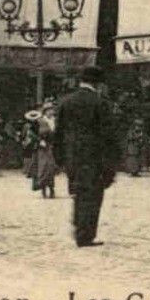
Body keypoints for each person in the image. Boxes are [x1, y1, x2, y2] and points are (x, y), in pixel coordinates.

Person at [53, 66, 121, 247]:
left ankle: (79, 229)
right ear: (97, 83)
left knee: (78, 192)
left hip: (72, 158)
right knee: (93, 195)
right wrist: (112, 162)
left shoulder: (65, 102)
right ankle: (86, 234)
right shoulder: (100, 103)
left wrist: (59, 158)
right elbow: (109, 135)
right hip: (94, 158)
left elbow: (58, 133)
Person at [35, 105, 59, 198]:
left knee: (51, 168)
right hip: (43, 147)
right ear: (45, 112)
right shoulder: (40, 121)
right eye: (49, 110)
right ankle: (43, 189)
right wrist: (39, 140)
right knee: (44, 168)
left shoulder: (55, 121)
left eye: (52, 110)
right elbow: (33, 133)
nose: (51, 112)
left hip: (52, 146)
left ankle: (52, 189)